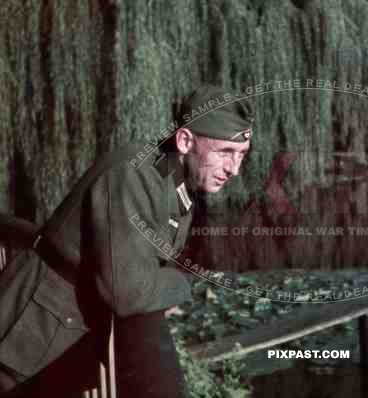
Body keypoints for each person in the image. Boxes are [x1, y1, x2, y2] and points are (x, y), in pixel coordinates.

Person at [0, 85, 254, 397]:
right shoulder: (134, 175)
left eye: (241, 155)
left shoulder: (173, 180)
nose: (234, 170)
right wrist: (180, 285)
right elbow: (128, 291)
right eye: (225, 152)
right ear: (185, 141)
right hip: (29, 338)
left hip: (59, 333)